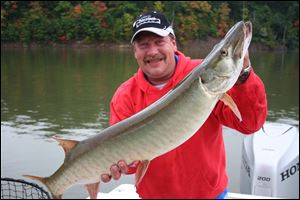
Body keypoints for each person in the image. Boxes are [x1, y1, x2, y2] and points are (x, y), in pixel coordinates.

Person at [100, 11, 267, 198]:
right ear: (135, 51)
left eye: (159, 42)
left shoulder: (205, 76)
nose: (153, 51)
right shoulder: (125, 96)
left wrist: (243, 74)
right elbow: (131, 165)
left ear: (173, 42)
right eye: (144, 45)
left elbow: (249, 124)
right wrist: (121, 164)